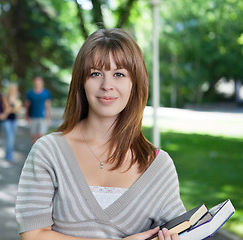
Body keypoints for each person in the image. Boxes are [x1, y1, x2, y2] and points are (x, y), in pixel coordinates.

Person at [15, 29, 186, 240]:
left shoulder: (158, 166)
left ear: (135, 83)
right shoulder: (48, 152)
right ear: (81, 82)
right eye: (96, 73)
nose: (107, 86)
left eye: (119, 74)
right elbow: (33, 236)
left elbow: (182, 232)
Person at [24, 76, 51, 144]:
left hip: (42, 117)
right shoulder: (30, 93)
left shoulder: (46, 93)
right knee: (34, 136)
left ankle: (40, 152)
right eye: (36, 83)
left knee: (41, 136)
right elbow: (27, 105)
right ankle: (34, 152)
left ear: (42, 83)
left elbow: (48, 105)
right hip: (33, 116)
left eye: (39, 83)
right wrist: (26, 115)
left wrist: (48, 116)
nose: (38, 84)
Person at [3, 83, 22, 162]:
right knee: (10, 138)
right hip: (6, 120)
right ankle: (9, 156)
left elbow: (16, 110)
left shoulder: (17, 98)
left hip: (14, 120)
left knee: (11, 138)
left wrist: (12, 109)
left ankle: (8, 154)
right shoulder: (5, 97)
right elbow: (7, 110)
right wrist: (13, 109)